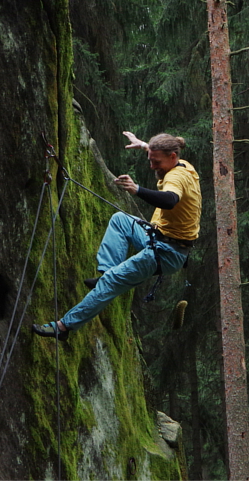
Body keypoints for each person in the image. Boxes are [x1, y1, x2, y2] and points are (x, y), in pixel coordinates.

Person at [32, 131, 201, 341]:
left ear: (172, 157)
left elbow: (169, 200)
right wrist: (142, 145)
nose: (152, 166)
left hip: (168, 252)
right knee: (120, 220)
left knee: (112, 283)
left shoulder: (178, 176)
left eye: (156, 162)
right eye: (151, 160)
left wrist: (136, 189)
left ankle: (63, 327)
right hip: (158, 238)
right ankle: (106, 273)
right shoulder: (179, 162)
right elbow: (158, 153)